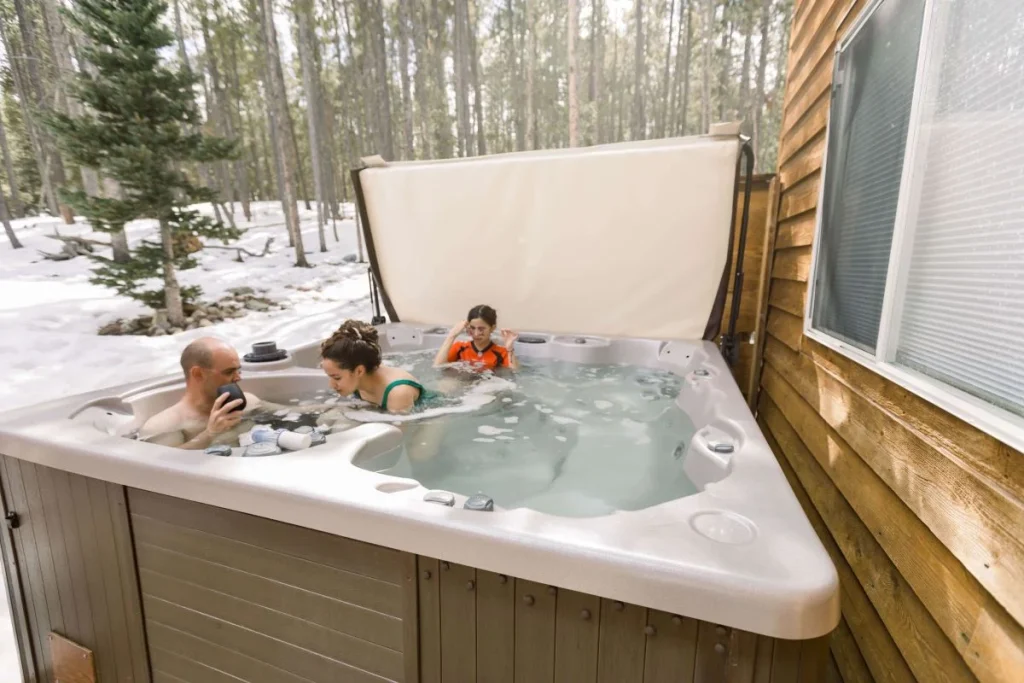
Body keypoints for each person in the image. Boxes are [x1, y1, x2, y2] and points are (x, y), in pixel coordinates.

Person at [139, 337, 263, 449]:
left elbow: (282, 415)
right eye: (229, 372)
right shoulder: (165, 425)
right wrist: (209, 434)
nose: (238, 378)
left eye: (238, 371)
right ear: (198, 374)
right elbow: (165, 467)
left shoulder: (249, 403)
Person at [321, 320, 430, 414]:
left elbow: (401, 436)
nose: (331, 385)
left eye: (337, 378)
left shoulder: (398, 393)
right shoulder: (356, 372)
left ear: (359, 371)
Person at [434, 304, 519, 370]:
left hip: (489, 387)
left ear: (492, 328)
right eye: (472, 328)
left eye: (481, 329)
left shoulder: (501, 352)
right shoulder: (460, 347)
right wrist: (451, 336)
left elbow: (514, 373)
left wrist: (509, 348)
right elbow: (438, 367)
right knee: (446, 384)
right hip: (463, 385)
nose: (476, 333)